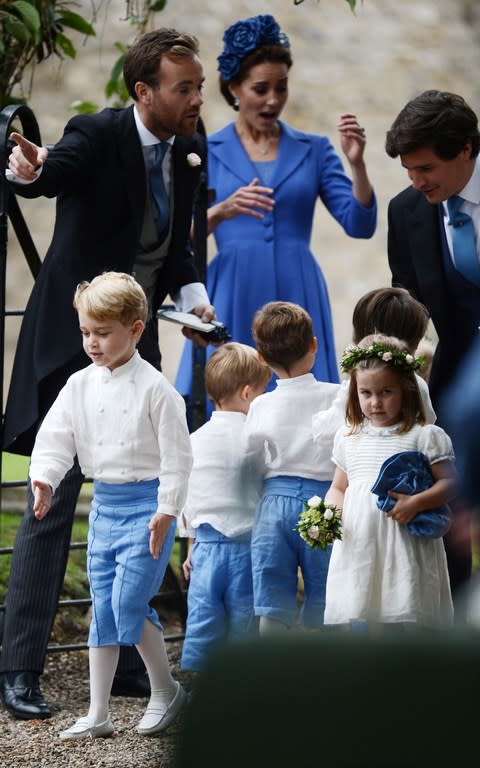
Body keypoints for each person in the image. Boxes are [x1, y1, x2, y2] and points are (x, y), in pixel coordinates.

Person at [0, 27, 214, 720]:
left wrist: (191, 296)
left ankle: (123, 663)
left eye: (199, 85)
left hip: (140, 345)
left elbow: (173, 245)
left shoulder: (189, 145)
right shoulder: (97, 131)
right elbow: (54, 169)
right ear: (143, 90)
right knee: (48, 500)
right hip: (77, 343)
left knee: (136, 497)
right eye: (184, 87)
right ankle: (19, 670)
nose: (196, 98)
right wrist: (31, 169)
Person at [175, 13, 377, 403]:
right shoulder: (204, 151)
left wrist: (357, 164)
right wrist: (221, 212)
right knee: (226, 400)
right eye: (261, 88)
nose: (273, 100)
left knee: (305, 406)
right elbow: (178, 240)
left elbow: (359, 224)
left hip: (298, 289)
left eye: (281, 88)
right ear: (234, 88)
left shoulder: (315, 149)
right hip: (232, 289)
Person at [29, 272, 192, 739]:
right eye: (85, 332)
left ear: (135, 329)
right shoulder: (79, 385)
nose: (92, 343)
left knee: (127, 602)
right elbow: (56, 437)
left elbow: (179, 458)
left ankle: (165, 690)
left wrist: (166, 510)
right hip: (105, 507)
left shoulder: (157, 390)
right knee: (105, 607)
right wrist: (44, 479)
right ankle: (98, 711)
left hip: (147, 509)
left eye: (102, 333)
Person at [385, 89, 479, 596]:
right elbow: (408, 308)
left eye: (425, 168)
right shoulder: (406, 212)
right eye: (408, 170)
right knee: (454, 508)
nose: (417, 181)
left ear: (465, 149)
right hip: (456, 374)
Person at [323, 334, 456, 628]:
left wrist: (417, 502)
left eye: (386, 392)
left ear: (406, 390)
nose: (375, 402)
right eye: (366, 393)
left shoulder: (423, 436)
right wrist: (329, 514)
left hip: (404, 541)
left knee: (405, 609)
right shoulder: (349, 437)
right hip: (361, 541)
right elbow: (339, 487)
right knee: (366, 612)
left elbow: (450, 484)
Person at [243, 301, 341, 634]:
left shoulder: (260, 405)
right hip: (325, 505)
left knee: (272, 596)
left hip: (273, 505)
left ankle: (272, 678)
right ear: (314, 345)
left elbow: (251, 461)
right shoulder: (337, 396)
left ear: (261, 357)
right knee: (327, 594)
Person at [180, 343, 271, 671]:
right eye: (262, 392)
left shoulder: (194, 441)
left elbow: (190, 502)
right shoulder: (257, 439)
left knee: (203, 620)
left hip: (205, 549)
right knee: (244, 624)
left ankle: (197, 688)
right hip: (247, 550)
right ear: (248, 393)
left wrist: (191, 546)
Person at [312, 285, 436, 441]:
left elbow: (325, 432)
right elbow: (429, 423)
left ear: (360, 338)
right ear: (414, 345)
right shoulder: (419, 384)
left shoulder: (359, 385)